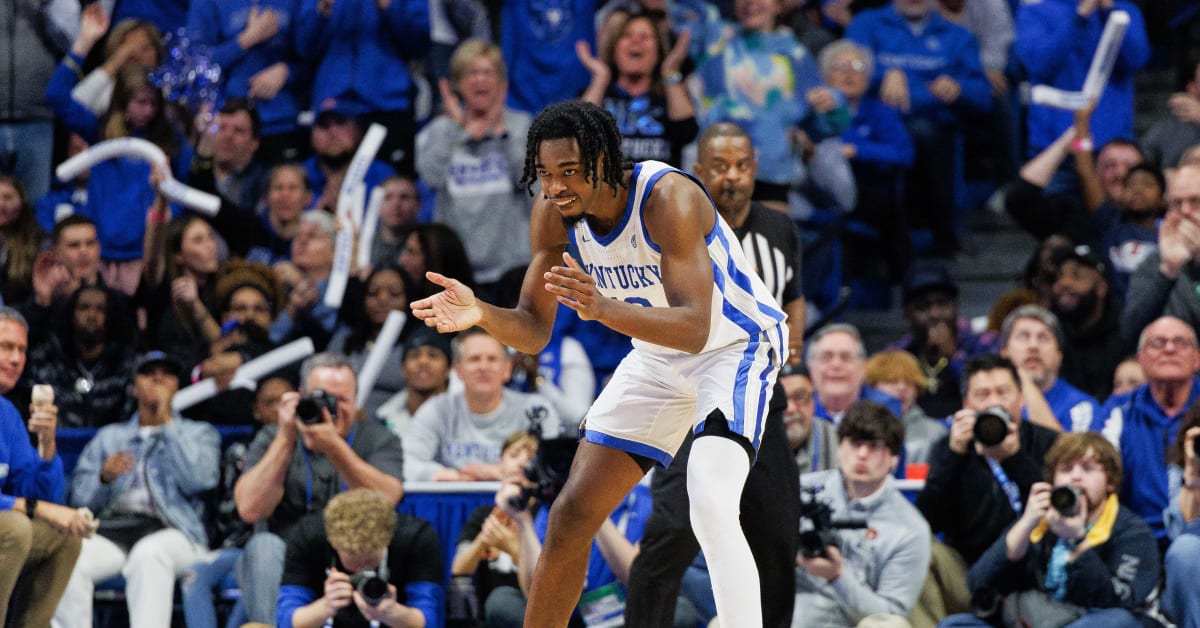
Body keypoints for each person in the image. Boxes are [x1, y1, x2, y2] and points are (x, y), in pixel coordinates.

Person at [410, 100, 788, 626]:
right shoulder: (553, 214)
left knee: (709, 497)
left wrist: (602, 308)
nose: (555, 186)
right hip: (657, 355)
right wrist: (480, 314)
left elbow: (695, 327)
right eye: (545, 174)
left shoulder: (668, 198)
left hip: (734, 348)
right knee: (570, 514)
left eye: (568, 171)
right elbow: (534, 330)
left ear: (604, 161)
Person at [624, 122, 805, 628]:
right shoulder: (676, 223)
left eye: (743, 166)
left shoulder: (780, 228)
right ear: (699, 171)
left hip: (761, 395)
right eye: (721, 167)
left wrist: (793, 349)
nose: (733, 177)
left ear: (755, 170)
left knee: (777, 533)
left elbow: (794, 297)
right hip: (693, 395)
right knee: (673, 531)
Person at [233, 352, 405, 626]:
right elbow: (250, 509)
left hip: (353, 558)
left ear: (356, 400)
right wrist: (286, 438)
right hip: (287, 559)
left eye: (342, 400)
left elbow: (387, 500)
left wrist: (334, 446)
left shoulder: (379, 438)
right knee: (262, 546)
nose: (331, 408)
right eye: (323, 398)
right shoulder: (274, 436)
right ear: (300, 396)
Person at [54, 350, 221, 628]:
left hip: (176, 532)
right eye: (148, 374)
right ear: (134, 387)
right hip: (116, 531)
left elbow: (201, 480)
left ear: (177, 385)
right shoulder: (110, 437)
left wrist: (168, 423)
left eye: (166, 375)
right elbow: (79, 502)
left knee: (149, 554)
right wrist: (103, 480)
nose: (158, 379)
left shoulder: (199, 433)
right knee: (69, 558)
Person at [940, 433, 1161, 627]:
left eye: (1087, 468)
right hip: (1037, 619)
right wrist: (1026, 524)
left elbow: (1118, 601)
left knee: (1116, 621)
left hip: (1091, 621)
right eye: (1066, 469)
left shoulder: (1132, 532)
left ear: (1110, 481)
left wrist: (1077, 541)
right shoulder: (1039, 521)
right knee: (955, 625)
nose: (1075, 477)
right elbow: (977, 584)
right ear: (1052, 480)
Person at [794, 400, 931, 627]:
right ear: (840, 447)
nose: (862, 454)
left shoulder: (910, 529)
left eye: (874, 446)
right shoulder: (798, 491)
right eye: (855, 443)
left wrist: (837, 576)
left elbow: (891, 614)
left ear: (893, 459)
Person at [916, 354, 1061, 566]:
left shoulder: (1049, 443)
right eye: (982, 395)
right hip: (967, 566)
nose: (994, 403)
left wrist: (1014, 459)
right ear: (966, 404)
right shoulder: (949, 447)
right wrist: (953, 455)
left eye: (1003, 392)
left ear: (1020, 398)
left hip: (1036, 563)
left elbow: (1058, 509)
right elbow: (928, 521)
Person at [416, 39, 533, 295]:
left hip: (511, 268)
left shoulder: (521, 126)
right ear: (457, 84)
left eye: (488, 73)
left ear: (502, 83)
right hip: (457, 268)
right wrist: (458, 132)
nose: (480, 80)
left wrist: (502, 134)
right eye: (472, 73)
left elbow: (529, 183)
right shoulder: (441, 130)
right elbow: (431, 178)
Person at [0, 306, 89, 626]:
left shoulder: (7, 414)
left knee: (63, 536)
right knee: (15, 528)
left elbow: (44, 497)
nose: (16, 359)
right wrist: (35, 508)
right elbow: (37, 507)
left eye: (22, 350)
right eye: (6, 347)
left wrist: (47, 443)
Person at [403, 327, 560, 481]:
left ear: (507, 368)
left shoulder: (536, 410)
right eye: (474, 359)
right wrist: (446, 475)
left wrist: (498, 472)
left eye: (492, 359)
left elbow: (552, 467)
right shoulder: (437, 409)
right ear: (458, 370)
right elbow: (407, 462)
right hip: (456, 494)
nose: (483, 367)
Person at [1093, 316, 1200, 542]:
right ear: (1140, 359)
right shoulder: (1117, 411)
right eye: (1158, 343)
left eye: (1180, 342)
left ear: (1197, 358)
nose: (1169, 349)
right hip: (1135, 538)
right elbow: (1095, 474)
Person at [277, 488, 444, 628]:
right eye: (353, 563)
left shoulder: (415, 538)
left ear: (387, 541)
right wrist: (325, 606)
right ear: (333, 544)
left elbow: (430, 620)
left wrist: (394, 614)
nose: (362, 572)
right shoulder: (308, 536)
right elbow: (286, 620)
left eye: (369, 562)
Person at [1014, 0, 1149, 155]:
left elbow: (1136, 60)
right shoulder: (1035, 12)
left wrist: (1109, 12)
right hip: (1054, 143)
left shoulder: (1124, 11)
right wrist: (1080, 18)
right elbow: (1038, 63)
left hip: (1111, 145)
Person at [577, 8, 698, 167]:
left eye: (645, 37)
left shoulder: (669, 98)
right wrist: (600, 79)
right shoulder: (598, 95)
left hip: (659, 183)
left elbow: (687, 133)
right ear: (615, 49)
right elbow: (578, 135)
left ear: (658, 51)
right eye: (626, 35)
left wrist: (670, 72)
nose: (635, 41)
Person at [888, 260, 997, 418]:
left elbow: (991, 394)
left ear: (955, 305)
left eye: (942, 303)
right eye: (923, 306)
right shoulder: (898, 356)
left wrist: (953, 357)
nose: (934, 314)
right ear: (907, 314)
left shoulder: (983, 345)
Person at [997, 305, 1100, 433]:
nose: (1033, 346)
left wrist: (1024, 381)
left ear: (1059, 356)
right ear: (1004, 352)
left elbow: (1067, 447)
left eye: (1043, 337)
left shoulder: (1081, 407)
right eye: (1023, 337)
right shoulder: (990, 399)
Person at [865, 350, 945, 464]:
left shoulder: (936, 433)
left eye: (909, 382)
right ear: (872, 387)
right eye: (892, 381)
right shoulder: (852, 429)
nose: (902, 387)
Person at [809, 323, 902, 422]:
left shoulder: (884, 408)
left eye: (846, 357)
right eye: (826, 357)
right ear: (811, 367)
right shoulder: (799, 407)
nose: (836, 365)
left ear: (864, 368)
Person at [376, 328, 453, 437]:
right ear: (403, 369)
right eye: (414, 355)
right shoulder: (382, 420)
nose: (423, 362)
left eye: (433, 355)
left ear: (449, 369)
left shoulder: (466, 417)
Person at [781, 362, 839, 474]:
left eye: (799, 396)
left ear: (813, 399)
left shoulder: (836, 440)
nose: (790, 409)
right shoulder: (757, 445)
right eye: (781, 400)